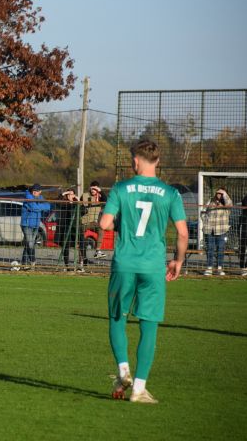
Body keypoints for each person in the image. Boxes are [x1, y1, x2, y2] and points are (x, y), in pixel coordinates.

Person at [100, 139, 187, 404]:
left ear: (135, 161)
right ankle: (139, 388)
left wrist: (115, 218)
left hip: (125, 263)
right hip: (152, 266)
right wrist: (178, 261)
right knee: (149, 326)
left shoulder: (121, 188)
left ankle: (123, 370)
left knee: (118, 319)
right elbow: (183, 233)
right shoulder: (171, 194)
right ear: (157, 162)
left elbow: (104, 224)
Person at [53, 188, 87, 272]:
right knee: (66, 246)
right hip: (66, 228)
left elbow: (84, 211)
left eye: (71, 194)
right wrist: (64, 193)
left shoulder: (77, 203)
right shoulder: (64, 204)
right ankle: (66, 265)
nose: (70, 196)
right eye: (68, 194)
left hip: (77, 227)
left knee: (82, 245)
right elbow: (57, 202)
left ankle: (82, 265)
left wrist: (79, 201)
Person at [201, 188, 232, 276]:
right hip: (209, 229)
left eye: (221, 193)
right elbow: (203, 211)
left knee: (220, 249)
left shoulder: (227, 204)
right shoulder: (210, 201)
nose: (219, 194)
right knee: (210, 249)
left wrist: (224, 194)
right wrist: (205, 221)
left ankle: (219, 268)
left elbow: (230, 204)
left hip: (222, 230)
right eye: (218, 193)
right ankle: (209, 268)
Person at [20, 183, 50, 270]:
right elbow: (33, 207)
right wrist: (40, 207)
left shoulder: (40, 198)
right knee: (30, 243)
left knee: (29, 244)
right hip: (26, 224)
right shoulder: (27, 196)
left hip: (36, 224)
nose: (35, 192)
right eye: (34, 190)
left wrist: (38, 206)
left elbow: (48, 206)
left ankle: (24, 263)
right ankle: (33, 261)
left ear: (40, 192)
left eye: (37, 191)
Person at [81, 181, 108, 258]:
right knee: (81, 240)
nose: (93, 190)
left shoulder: (100, 196)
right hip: (85, 221)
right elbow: (83, 204)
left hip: (94, 222)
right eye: (92, 188)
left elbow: (106, 200)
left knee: (101, 229)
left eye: (95, 189)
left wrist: (100, 191)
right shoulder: (85, 195)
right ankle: (82, 258)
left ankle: (98, 251)